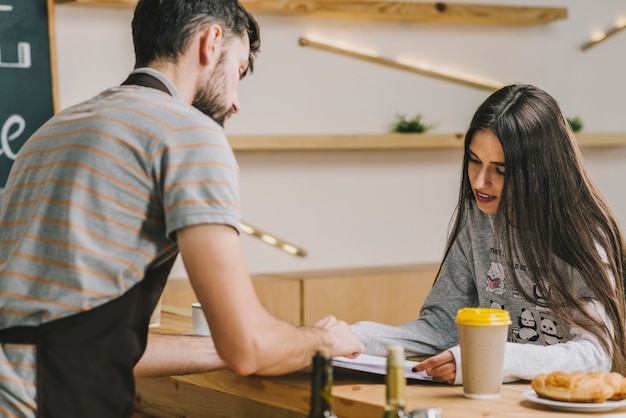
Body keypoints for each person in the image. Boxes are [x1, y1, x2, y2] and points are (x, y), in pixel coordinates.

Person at [0, 0, 363, 416]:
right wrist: (322, 341)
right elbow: (250, 349)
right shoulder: (188, 133)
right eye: (239, 72)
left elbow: (85, 340)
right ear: (210, 42)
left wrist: (224, 345)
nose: (237, 102)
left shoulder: (53, 130)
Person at [352, 84, 626, 385]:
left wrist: (490, 358)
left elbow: (596, 353)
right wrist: (356, 337)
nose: (480, 182)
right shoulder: (478, 217)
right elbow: (443, 325)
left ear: (540, 171)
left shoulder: (584, 234)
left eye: (501, 170)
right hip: (494, 399)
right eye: (474, 160)